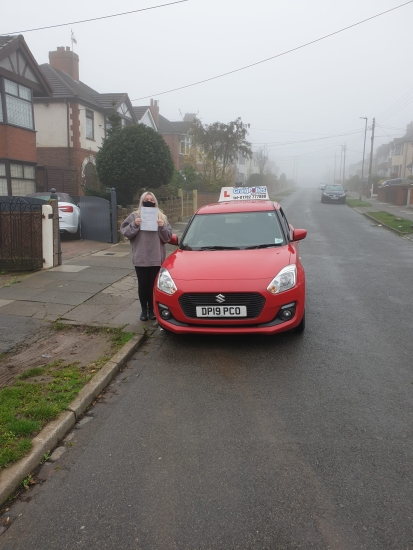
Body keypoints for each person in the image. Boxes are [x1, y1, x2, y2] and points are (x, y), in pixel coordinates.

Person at [120, 192, 172, 321]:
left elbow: (168, 238)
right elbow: (125, 232)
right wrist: (135, 225)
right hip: (141, 257)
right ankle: (144, 310)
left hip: (156, 257)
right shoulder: (134, 216)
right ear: (141, 201)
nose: (149, 201)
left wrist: (162, 227)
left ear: (155, 202)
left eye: (151, 199)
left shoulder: (162, 217)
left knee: (153, 286)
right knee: (143, 285)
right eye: (146, 199)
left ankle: (153, 310)